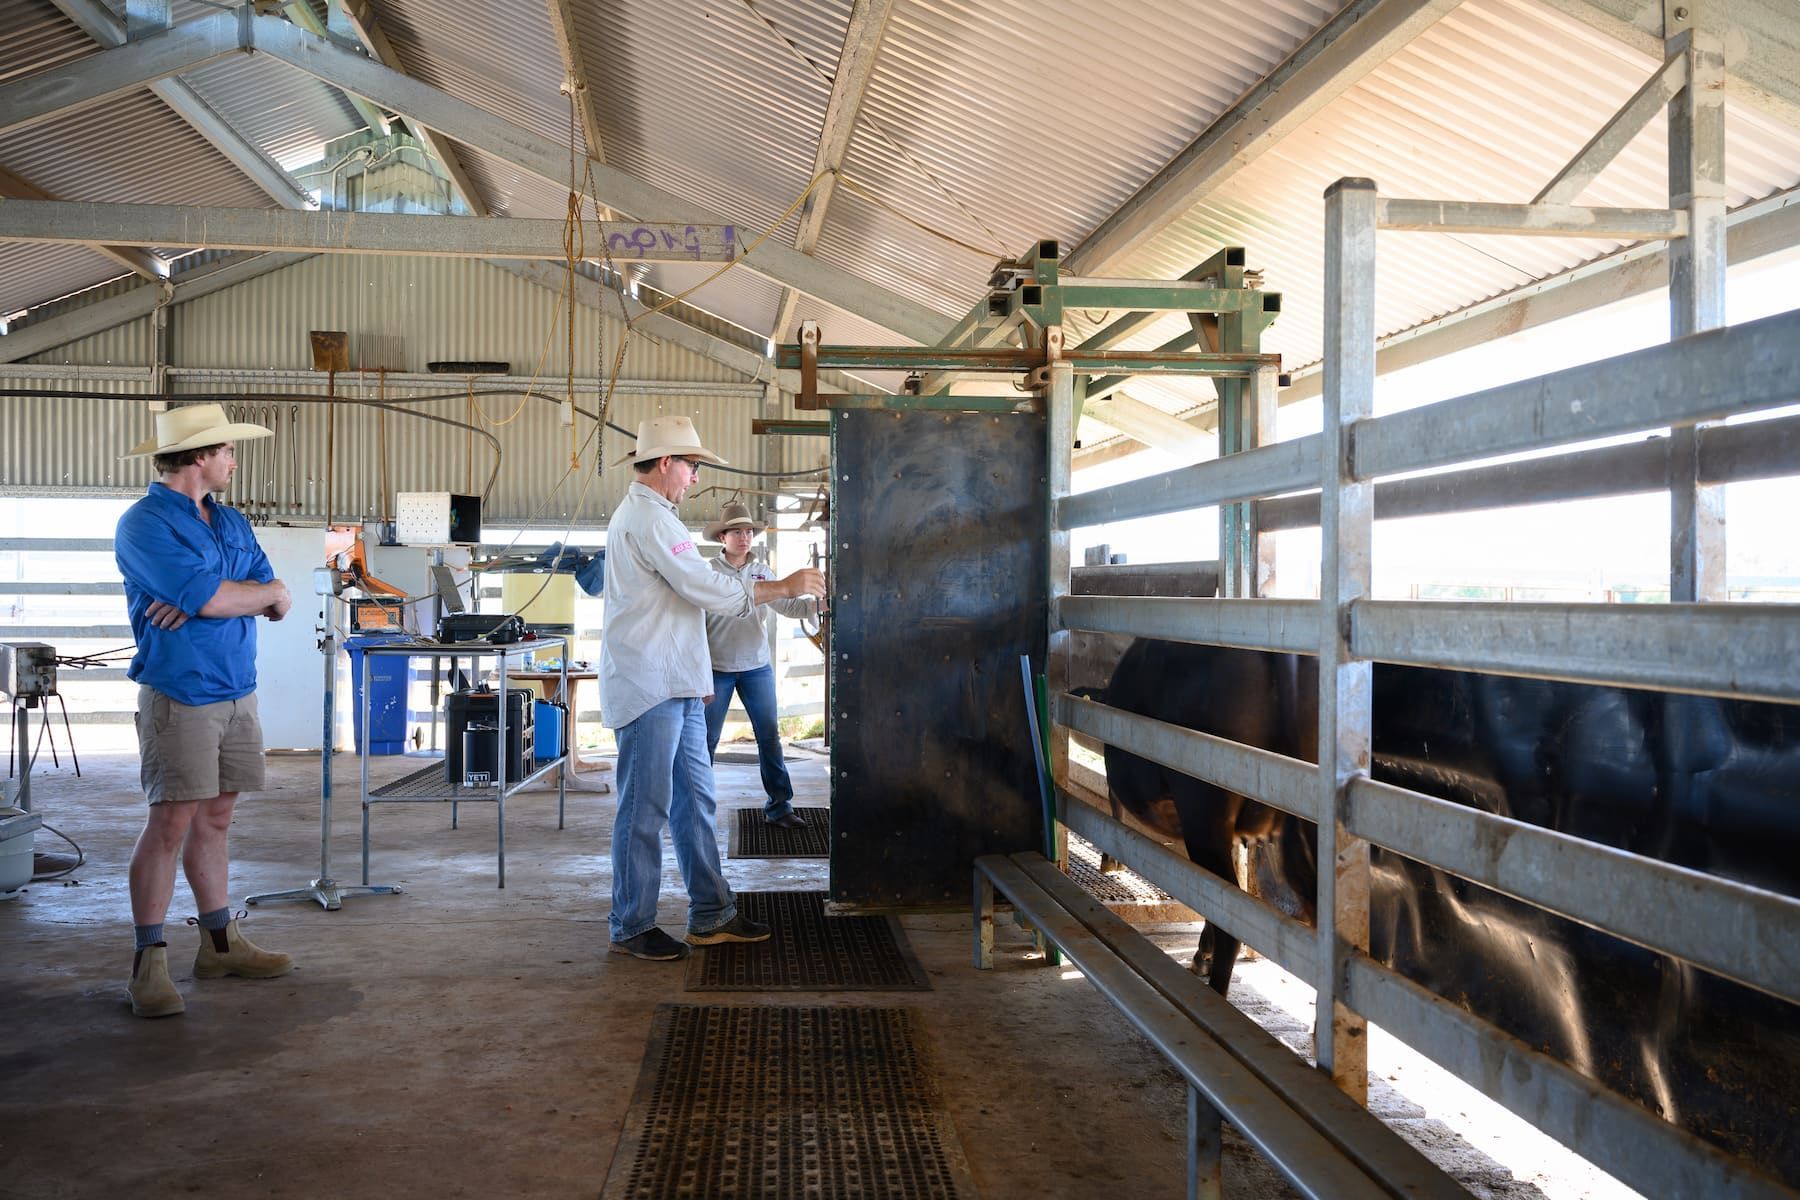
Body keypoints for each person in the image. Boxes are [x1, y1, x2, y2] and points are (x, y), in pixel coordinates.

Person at [600, 415, 827, 961]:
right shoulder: (648, 519)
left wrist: (699, 678)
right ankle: (631, 924)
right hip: (650, 685)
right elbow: (705, 589)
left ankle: (711, 913)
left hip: (674, 684)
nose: (695, 477)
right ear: (663, 463)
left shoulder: (660, 518)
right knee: (644, 808)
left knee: (697, 800)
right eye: (692, 465)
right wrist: (783, 586)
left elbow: (683, 608)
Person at [114, 403, 297, 1018]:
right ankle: (149, 964)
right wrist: (222, 599)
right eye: (226, 451)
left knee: (216, 821)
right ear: (199, 457)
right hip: (180, 693)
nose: (233, 461)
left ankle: (218, 944)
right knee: (168, 825)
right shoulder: (143, 525)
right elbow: (219, 596)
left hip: (236, 688)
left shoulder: (231, 520)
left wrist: (236, 598)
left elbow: (276, 596)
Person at [701, 502, 815, 829]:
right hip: (716, 668)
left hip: (756, 666)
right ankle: (698, 807)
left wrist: (818, 602)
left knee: (769, 737)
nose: (744, 537)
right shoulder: (708, 572)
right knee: (706, 740)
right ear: (722, 537)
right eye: (737, 531)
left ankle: (780, 807)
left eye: (748, 531)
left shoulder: (763, 572)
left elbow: (790, 606)